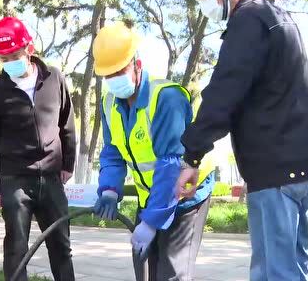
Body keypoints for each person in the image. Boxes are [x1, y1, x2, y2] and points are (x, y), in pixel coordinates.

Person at [177, 0, 308, 281]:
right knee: (292, 268)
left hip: (275, 171)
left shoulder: (249, 22)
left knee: (274, 274)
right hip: (301, 165)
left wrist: (192, 156)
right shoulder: (277, 17)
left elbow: (223, 94)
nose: (204, 2)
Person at [91, 22, 216, 281]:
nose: (114, 79)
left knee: (171, 273)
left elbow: (171, 165)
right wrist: (110, 190)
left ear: (137, 65)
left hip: (184, 197)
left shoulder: (166, 99)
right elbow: (112, 153)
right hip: (150, 196)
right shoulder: (109, 103)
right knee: (145, 270)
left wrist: (152, 221)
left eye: (119, 70)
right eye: (108, 74)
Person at [0, 16, 77, 281]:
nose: (10, 62)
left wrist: (68, 163)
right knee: (16, 249)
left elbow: (67, 123)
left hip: (52, 178)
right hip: (15, 181)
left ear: (29, 49)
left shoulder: (54, 78)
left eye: (14, 55)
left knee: (61, 247)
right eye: (4, 58)